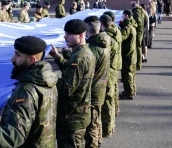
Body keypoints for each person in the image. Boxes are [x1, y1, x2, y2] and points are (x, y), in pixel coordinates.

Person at [49, 20, 95, 148]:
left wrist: (46, 77)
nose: (65, 37)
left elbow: (66, 88)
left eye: (69, 34)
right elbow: (73, 73)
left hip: (72, 116)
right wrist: (57, 57)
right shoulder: (84, 52)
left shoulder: (79, 57)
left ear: (80, 35)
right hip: (78, 112)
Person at [84, 16, 111, 148]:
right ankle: (99, 140)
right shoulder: (104, 42)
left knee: (92, 122)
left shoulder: (93, 49)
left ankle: (94, 144)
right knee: (97, 117)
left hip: (94, 89)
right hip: (101, 86)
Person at [99, 13, 121, 137]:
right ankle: (111, 124)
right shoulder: (116, 32)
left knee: (107, 99)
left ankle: (108, 128)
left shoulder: (107, 38)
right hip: (115, 67)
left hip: (109, 70)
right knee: (112, 95)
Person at [119, 10, 137, 100]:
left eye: (123, 15)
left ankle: (129, 93)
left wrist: (119, 29)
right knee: (132, 74)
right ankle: (132, 90)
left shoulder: (127, 27)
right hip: (132, 54)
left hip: (127, 54)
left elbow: (121, 37)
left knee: (127, 75)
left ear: (126, 16)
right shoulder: (132, 25)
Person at [131, 0, 146, 70]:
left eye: (132, 2)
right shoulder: (140, 10)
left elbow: (138, 23)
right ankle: (138, 64)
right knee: (138, 48)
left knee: (137, 48)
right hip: (140, 32)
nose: (130, 3)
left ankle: (138, 64)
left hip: (137, 32)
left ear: (135, 2)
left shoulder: (137, 11)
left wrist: (133, 27)